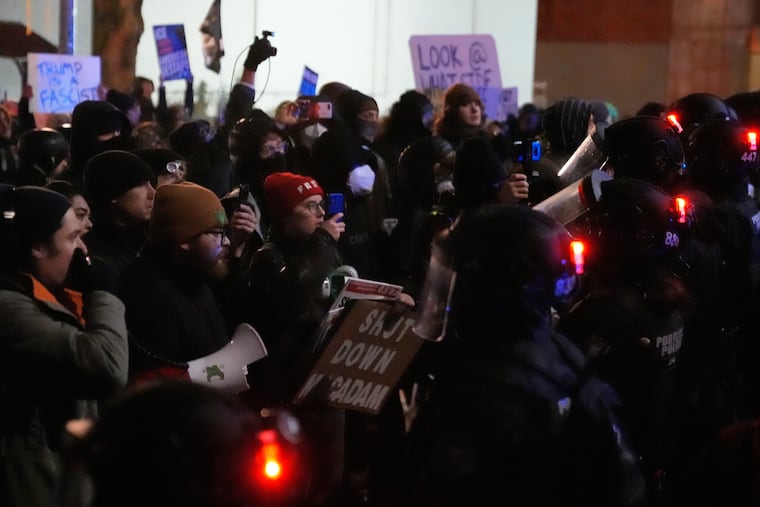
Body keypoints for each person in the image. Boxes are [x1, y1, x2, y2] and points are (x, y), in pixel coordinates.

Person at [400, 203, 645, 507]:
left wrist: (416, 429)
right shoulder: (562, 351)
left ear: (491, 286)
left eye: (459, 279)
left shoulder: (478, 393)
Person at [0, 186, 128, 507]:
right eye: (71, 238)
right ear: (38, 247)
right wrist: (103, 294)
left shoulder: (48, 292)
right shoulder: (7, 307)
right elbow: (106, 365)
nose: (82, 248)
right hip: (34, 483)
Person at [120, 181, 254, 382]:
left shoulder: (195, 274)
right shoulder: (147, 295)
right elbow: (163, 381)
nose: (226, 241)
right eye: (216, 233)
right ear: (183, 239)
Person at [82, 150, 156, 286]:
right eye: (140, 185)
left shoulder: (151, 240)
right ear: (112, 194)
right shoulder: (95, 255)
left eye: (150, 183)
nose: (152, 193)